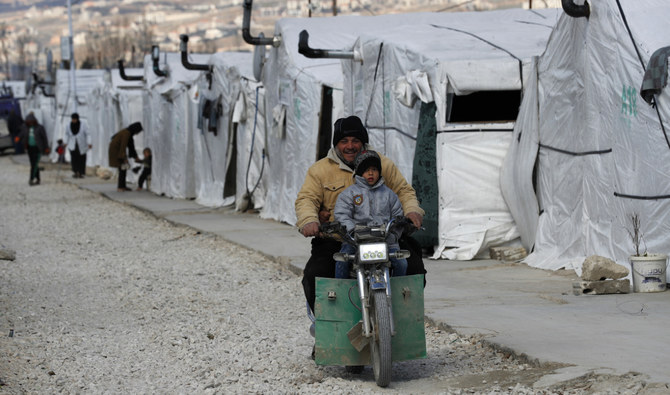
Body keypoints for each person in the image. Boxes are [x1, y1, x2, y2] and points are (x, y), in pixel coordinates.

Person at [295, 115, 425, 314]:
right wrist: (309, 220)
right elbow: (307, 199)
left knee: (414, 268)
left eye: (355, 140)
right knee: (315, 275)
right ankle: (327, 331)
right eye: (344, 141)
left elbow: (403, 191)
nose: (350, 146)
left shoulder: (382, 163)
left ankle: (404, 321)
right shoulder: (319, 170)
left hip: (383, 237)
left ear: (363, 142)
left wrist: (412, 211)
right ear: (336, 144)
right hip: (340, 239)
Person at [333, 150, 408, 279]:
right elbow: (342, 214)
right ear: (359, 172)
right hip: (355, 242)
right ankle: (341, 294)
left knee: (402, 263)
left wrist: (394, 232)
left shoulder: (389, 194)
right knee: (341, 262)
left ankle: (398, 294)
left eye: (374, 169)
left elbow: (397, 215)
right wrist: (352, 231)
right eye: (366, 170)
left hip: (386, 241)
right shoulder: (349, 194)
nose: (371, 173)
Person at [108, 122, 142, 192]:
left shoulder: (128, 133)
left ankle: (122, 186)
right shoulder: (126, 133)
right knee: (122, 168)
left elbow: (131, 146)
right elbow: (123, 146)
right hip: (116, 150)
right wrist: (124, 158)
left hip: (118, 150)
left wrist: (136, 157)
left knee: (123, 169)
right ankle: (120, 187)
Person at [16, 113, 49, 185]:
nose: (30, 123)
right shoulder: (25, 127)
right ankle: (38, 179)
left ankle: (31, 179)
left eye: (31, 121)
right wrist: (18, 137)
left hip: (38, 148)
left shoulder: (40, 128)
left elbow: (44, 138)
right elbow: (22, 133)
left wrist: (46, 147)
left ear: (34, 121)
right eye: (28, 121)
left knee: (35, 164)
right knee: (33, 164)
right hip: (30, 148)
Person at [63, 113, 92, 178]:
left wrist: (89, 142)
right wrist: (65, 142)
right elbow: (66, 134)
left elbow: (88, 134)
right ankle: (75, 172)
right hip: (72, 145)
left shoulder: (83, 125)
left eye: (75, 119)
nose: (74, 120)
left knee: (81, 159)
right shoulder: (68, 125)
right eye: (73, 119)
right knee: (74, 159)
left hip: (81, 144)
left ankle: (81, 172)